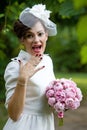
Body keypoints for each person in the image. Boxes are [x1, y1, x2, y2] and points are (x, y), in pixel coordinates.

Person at [3, 4, 57, 130]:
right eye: (29, 35)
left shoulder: (48, 61)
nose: (36, 40)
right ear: (22, 39)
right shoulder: (15, 66)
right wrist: (22, 80)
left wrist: (61, 101)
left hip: (46, 124)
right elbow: (14, 115)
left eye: (40, 34)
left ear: (46, 36)